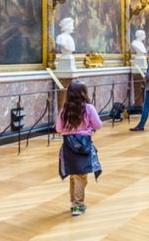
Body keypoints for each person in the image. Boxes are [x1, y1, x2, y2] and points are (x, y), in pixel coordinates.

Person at [56, 81, 102, 216]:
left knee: (74, 174)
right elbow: (98, 125)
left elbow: (58, 128)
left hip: (68, 145)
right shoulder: (88, 108)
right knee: (81, 175)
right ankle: (77, 205)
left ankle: (73, 202)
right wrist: (88, 128)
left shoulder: (64, 110)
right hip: (83, 144)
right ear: (84, 92)